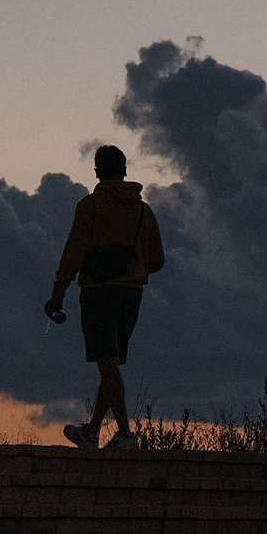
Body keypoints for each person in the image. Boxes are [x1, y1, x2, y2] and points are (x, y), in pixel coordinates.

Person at [45, 145, 165, 450]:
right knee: (109, 364)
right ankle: (92, 431)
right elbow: (158, 260)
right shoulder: (143, 210)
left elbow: (72, 254)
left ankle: (125, 434)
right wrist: (133, 266)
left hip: (98, 293)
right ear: (125, 170)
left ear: (97, 171)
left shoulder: (90, 206)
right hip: (132, 294)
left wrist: (57, 295)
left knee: (107, 363)